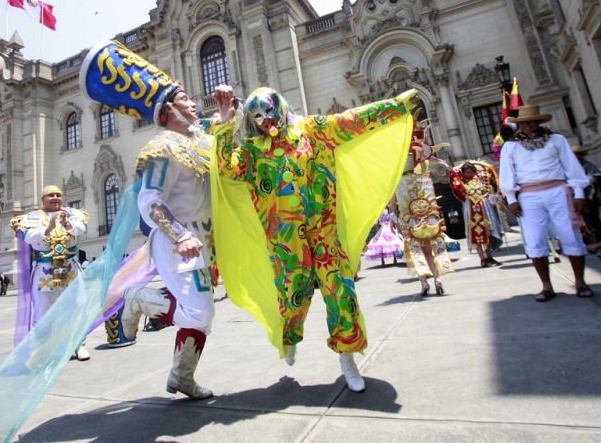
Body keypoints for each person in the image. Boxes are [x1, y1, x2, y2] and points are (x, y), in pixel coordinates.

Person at [213, 83, 416, 392]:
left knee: (341, 294)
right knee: (292, 300)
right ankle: (290, 337)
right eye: (257, 117)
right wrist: (226, 121)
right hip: (285, 244)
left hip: (324, 234)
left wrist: (395, 107)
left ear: (280, 106)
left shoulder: (312, 130)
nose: (265, 120)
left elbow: (352, 121)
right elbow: (226, 168)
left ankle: (347, 356)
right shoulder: (253, 152)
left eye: (269, 111)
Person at [80, 40, 216, 398]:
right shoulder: (160, 148)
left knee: (204, 313)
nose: (193, 103)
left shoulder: (199, 142)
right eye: (185, 99)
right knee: (198, 312)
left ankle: (181, 378)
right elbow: (150, 199)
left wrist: (230, 112)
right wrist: (179, 236)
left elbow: (224, 145)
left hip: (202, 242)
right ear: (170, 109)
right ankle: (138, 298)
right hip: (177, 243)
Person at [498, 104, 593, 302]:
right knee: (534, 239)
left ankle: (580, 281)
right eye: (524, 123)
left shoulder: (557, 140)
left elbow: (572, 167)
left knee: (570, 234)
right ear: (519, 124)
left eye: (532, 122)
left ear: (540, 122)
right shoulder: (511, 146)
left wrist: (579, 193)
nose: (528, 126)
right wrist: (512, 198)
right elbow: (507, 174)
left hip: (557, 190)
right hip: (528, 195)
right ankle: (546, 285)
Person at [10, 185, 91, 360]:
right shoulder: (31, 218)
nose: (55, 198)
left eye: (58, 195)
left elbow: (81, 229)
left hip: (70, 269)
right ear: (42, 199)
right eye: (50, 195)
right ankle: (44, 350)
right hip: (44, 271)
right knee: (43, 311)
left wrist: (66, 223)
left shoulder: (72, 213)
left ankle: (78, 345)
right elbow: (28, 237)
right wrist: (48, 228)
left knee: (76, 306)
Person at [396, 158, 454, 296]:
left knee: (417, 253)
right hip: (427, 219)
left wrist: (395, 215)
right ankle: (438, 280)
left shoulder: (399, 182)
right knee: (429, 252)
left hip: (410, 221)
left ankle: (424, 283)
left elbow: (394, 204)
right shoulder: (424, 179)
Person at [450, 162, 503, 267]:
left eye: (471, 171)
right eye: (467, 172)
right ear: (463, 173)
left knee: (487, 232)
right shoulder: (462, 183)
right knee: (475, 235)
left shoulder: (480, 179)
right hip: (470, 209)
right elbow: (456, 186)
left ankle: (489, 257)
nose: (469, 174)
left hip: (484, 208)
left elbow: (488, 184)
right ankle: (483, 259)